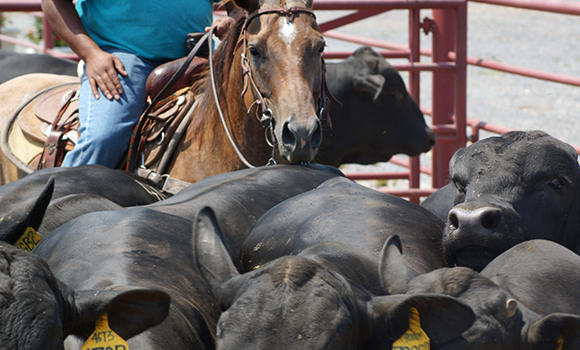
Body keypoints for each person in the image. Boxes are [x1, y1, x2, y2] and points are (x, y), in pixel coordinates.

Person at [42, 0, 239, 168]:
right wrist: (91, 54)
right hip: (122, 57)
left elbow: (240, 5)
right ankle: (62, 201)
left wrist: (235, 21)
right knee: (104, 138)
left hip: (196, 59)